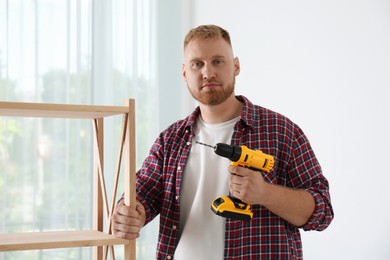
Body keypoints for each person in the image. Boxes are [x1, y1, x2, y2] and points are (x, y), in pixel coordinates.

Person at [112, 24, 334, 259]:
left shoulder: (281, 132)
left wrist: (265, 193)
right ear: (185, 73)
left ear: (235, 66)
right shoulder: (170, 140)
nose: (208, 73)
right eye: (197, 64)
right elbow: (140, 194)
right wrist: (129, 213)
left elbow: (322, 212)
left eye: (218, 61)